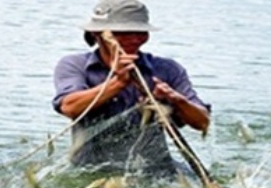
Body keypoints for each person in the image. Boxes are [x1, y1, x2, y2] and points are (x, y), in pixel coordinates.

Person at [52, 0, 211, 177]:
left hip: (155, 169)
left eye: (140, 32)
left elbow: (202, 122)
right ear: (97, 34)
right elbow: (69, 107)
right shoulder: (75, 65)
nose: (134, 39)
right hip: (92, 169)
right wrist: (118, 83)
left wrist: (176, 100)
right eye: (123, 32)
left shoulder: (167, 69)